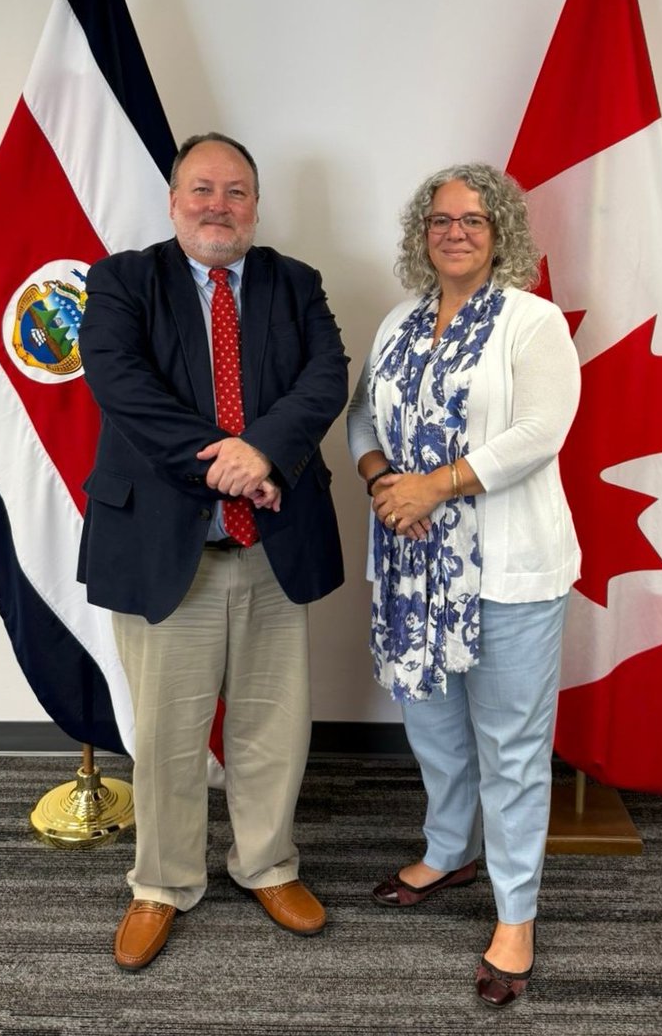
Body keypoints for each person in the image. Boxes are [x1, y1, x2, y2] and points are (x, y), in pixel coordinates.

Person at [78, 132, 347, 970]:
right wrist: (230, 465)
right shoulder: (123, 280)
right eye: (202, 189)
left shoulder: (295, 282)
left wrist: (262, 452)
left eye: (236, 192)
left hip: (272, 547)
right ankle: (161, 883)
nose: (218, 206)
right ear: (173, 200)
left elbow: (326, 377)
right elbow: (123, 387)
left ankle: (268, 864)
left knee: (274, 725)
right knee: (167, 734)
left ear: (256, 206)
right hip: (167, 550)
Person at [347, 163, 580, 1008]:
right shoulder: (398, 322)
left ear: (499, 232)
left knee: (511, 749)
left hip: (508, 572)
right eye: (440, 219)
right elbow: (362, 417)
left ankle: (516, 916)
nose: (455, 231)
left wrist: (433, 487)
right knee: (437, 733)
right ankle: (449, 851)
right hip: (412, 569)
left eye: (473, 219)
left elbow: (540, 432)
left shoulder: (531, 321)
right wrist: (384, 482)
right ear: (423, 233)